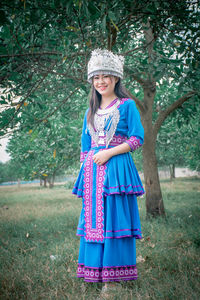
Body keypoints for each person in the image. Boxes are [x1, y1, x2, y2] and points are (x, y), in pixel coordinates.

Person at [72, 49, 145, 293]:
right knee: (93, 223)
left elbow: (137, 139)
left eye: (105, 76)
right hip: (93, 174)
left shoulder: (127, 106)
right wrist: (85, 174)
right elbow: (85, 148)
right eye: (96, 78)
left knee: (114, 221)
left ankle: (113, 281)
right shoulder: (89, 112)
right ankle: (93, 275)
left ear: (115, 78)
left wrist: (109, 153)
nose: (100, 82)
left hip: (117, 172)